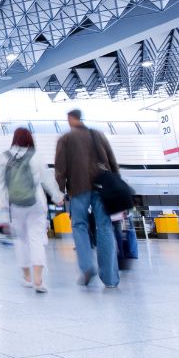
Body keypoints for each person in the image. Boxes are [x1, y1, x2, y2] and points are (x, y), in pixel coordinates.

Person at [55, 109, 120, 288]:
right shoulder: (97, 135)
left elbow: (60, 168)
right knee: (105, 227)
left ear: (70, 119)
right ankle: (110, 279)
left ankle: (87, 266)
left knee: (79, 226)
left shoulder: (65, 139)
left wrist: (59, 191)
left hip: (78, 188)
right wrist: (117, 184)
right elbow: (112, 161)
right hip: (102, 187)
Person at [0, 128, 64, 293]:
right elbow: (47, 179)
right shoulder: (36, 155)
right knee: (36, 239)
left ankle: (27, 277)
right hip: (36, 203)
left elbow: (1, 183)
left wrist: (4, 203)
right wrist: (57, 196)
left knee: (21, 240)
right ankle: (38, 280)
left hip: (15, 205)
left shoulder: (4, 157)